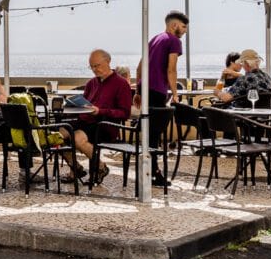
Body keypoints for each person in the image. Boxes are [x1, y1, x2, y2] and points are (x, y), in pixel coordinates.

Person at [59, 49, 132, 183]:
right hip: (86, 121)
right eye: (91, 66)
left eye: (97, 65)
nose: (94, 69)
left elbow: (125, 113)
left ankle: (101, 167)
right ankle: (76, 168)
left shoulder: (121, 84)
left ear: (108, 61)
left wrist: (100, 111)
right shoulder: (91, 83)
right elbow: (84, 105)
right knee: (55, 135)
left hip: (105, 125)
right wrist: (73, 107)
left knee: (77, 138)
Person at [136, 10, 188, 108]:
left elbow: (139, 67)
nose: (185, 31)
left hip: (143, 87)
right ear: (174, 25)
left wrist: (137, 92)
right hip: (157, 89)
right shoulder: (174, 41)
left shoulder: (155, 39)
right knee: (158, 121)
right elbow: (171, 70)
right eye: (183, 27)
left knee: (146, 120)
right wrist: (175, 94)